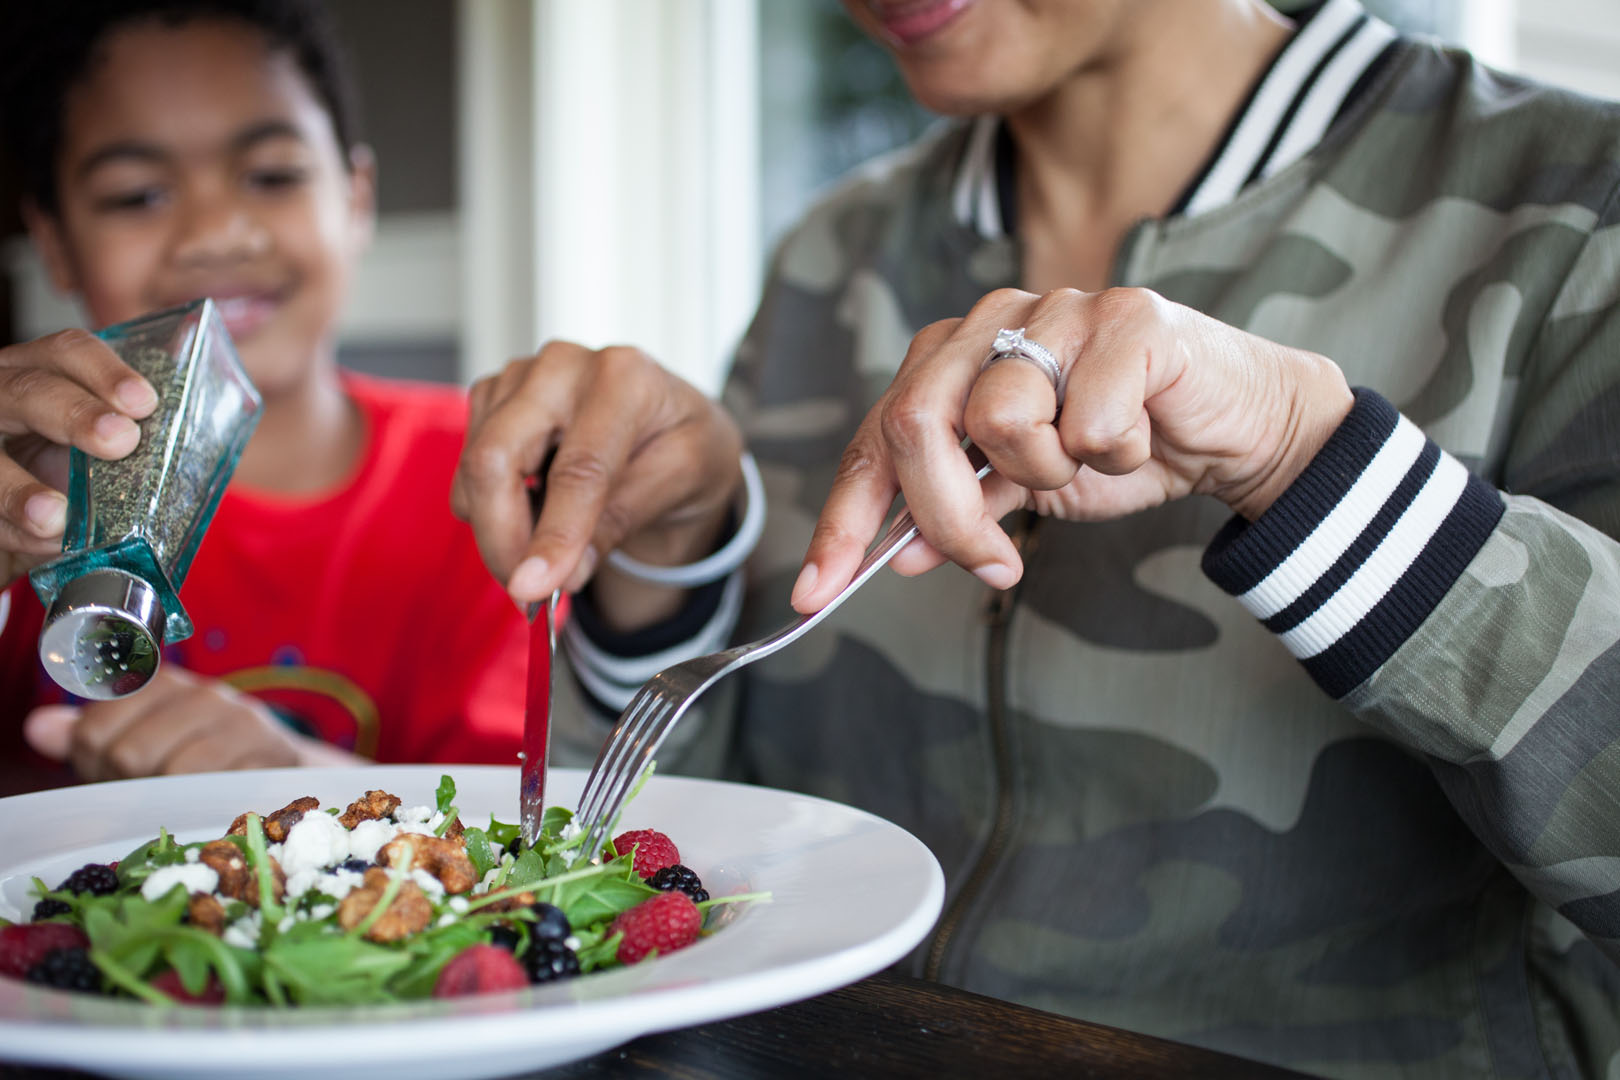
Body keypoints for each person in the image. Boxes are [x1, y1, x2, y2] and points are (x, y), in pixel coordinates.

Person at [456, 0, 1620, 1076]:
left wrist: (1300, 458)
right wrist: (679, 556)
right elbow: (685, 855)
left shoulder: (1576, 211)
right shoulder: (835, 253)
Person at [0, 0, 531, 788]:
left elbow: (523, 844)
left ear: (356, 199)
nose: (216, 233)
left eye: (272, 176)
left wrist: (297, 774)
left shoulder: (485, 477)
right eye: (138, 195)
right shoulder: (22, 489)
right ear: (54, 243)